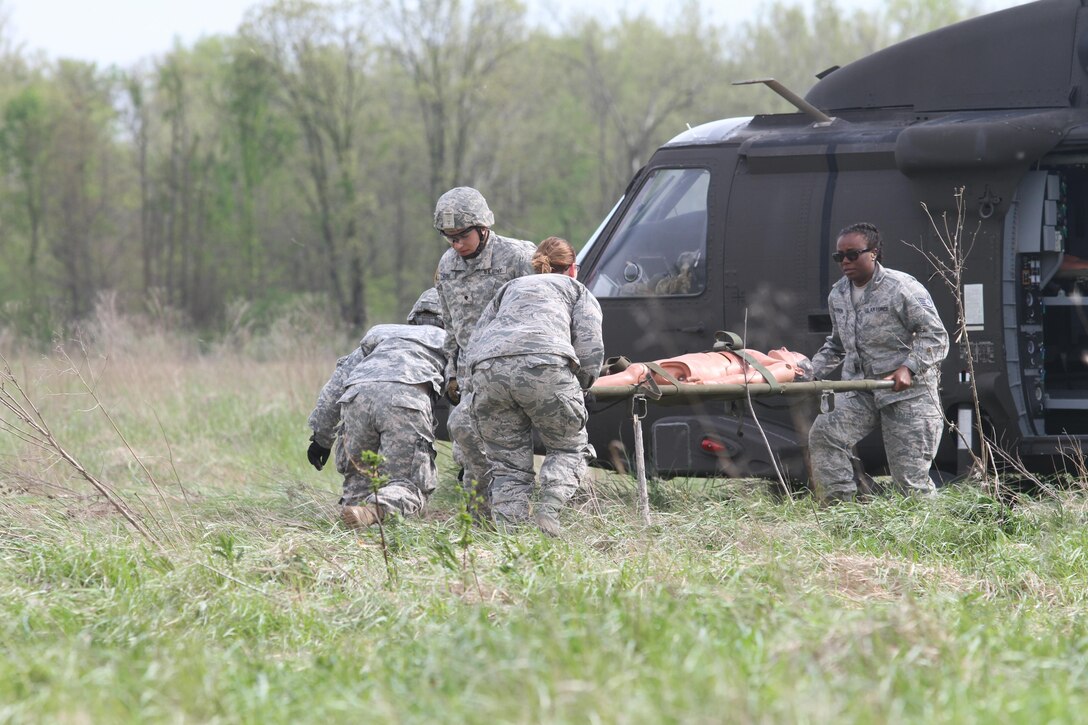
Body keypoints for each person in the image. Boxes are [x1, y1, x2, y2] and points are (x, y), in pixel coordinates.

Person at [466, 237, 605, 535]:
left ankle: (510, 534)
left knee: (506, 464)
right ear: (572, 269)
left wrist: (473, 385)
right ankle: (549, 512)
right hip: (546, 368)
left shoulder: (509, 289)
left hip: (488, 373)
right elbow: (591, 349)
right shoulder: (576, 290)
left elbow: (476, 340)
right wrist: (580, 386)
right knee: (568, 447)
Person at [808, 222, 950, 504]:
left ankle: (928, 539)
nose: (845, 262)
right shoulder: (838, 294)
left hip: (908, 395)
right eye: (839, 257)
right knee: (824, 434)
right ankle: (840, 514)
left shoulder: (901, 288)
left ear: (873, 253)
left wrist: (909, 367)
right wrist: (808, 371)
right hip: (862, 390)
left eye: (852, 254)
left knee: (910, 481)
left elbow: (936, 336)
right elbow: (837, 345)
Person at [432, 187, 536, 517]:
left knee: (511, 447)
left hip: (516, 369)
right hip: (471, 374)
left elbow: (546, 313)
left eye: (462, 236)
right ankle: (480, 524)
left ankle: (521, 512)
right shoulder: (447, 266)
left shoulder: (519, 258)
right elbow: (450, 326)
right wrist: (451, 373)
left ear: (482, 227)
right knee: (465, 439)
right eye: (449, 237)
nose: (456, 244)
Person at [306, 288, 447, 528]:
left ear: (413, 316)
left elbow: (336, 385)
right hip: (405, 398)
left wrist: (321, 437)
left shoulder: (381, 334)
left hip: (356, 397)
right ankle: (373, 512)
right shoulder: (450, 340)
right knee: (408, 483)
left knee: (359, 482)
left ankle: (356, 524)